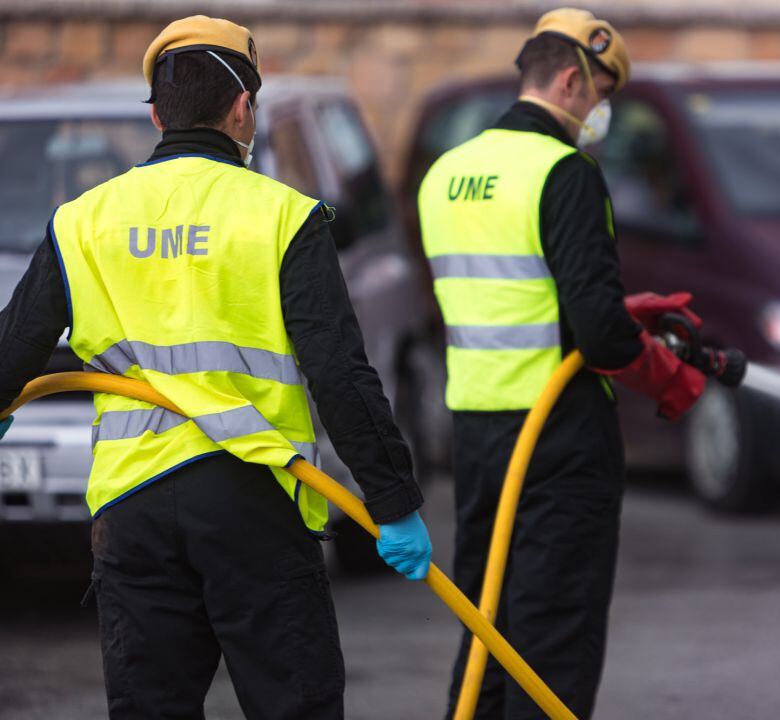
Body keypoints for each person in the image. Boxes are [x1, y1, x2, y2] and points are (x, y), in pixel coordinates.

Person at [0, 15, 432, 719]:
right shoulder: (285, 217)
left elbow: (12, 351)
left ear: (154, 114)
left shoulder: (80, 220)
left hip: (131, 507)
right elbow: (340, 374)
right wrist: (392, 504)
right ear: (241, 109)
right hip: (254, 501)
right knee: (294, 705)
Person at [418, 9, 732, 719]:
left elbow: (517, 296)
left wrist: (617, 316)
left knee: (487, 633)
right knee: (551, 639)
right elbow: (599, 336)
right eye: (599, 95)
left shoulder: (447, 174)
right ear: (569, 81)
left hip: (479, 438)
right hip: (557, 442)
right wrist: (655, 363)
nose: (600, 112)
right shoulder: (565, 173)